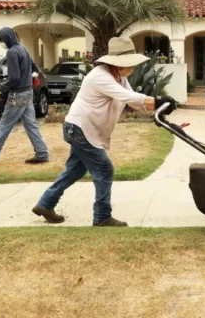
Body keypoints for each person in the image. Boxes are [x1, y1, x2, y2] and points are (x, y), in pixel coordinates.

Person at [32, 37, 176, 227]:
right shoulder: (100, 76)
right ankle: (101, 216)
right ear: (117, 63)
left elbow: (133, 101)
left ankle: (45, 204)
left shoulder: (120, 77)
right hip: (80, 129)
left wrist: (158, 110)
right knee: (104, 169)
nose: (132, 67)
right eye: (129, 63)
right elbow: (127, 96)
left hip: (82, 129)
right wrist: (158, 100)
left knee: (75, 170)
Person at [0, 27, 49, 167]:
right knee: (31, 125)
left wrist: (0, 87)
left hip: (17, 95)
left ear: (7, 38)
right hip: (28, 92)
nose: (1, 42)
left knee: (4, 126)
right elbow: (33, 66)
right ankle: (42, 153)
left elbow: (14, 77)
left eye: (1, 39)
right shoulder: (23, 49)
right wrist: (31, 75)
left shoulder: (12, 52)